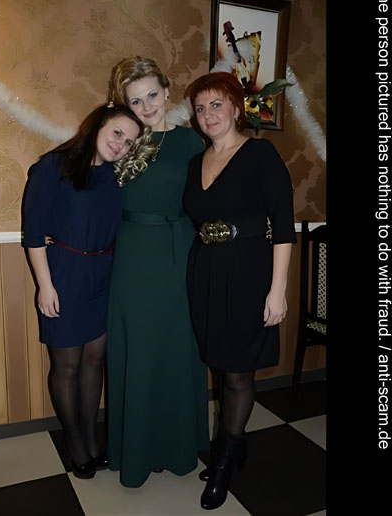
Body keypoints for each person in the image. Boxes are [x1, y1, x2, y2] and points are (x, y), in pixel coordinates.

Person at [183, 72, 296, 510]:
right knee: (218, 363)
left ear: (235, 107)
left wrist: (277, 291)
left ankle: (224, 460)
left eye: (216, 104)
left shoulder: (260, 154)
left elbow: (283, 226)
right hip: (206, 273)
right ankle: (235, 443)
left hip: (249, 273)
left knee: (236, 372)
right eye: (200, 108)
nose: (208, 114)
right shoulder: (196, 162)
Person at [22, 104, 145, 479]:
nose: (122, 144)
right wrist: (45, 286)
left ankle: (92, 436)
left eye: (130, 142)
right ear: (98, 124)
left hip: (104, 275)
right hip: (64, 276)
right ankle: (74, 440)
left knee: (95, 360)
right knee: (67, 365)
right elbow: (33, 233)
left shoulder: (116, 176)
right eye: (118, 133)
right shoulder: (53, 167)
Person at [105, 56, 210, 488]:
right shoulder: (122, 140)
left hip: (180, 250)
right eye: (136, 100)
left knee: (177, 349)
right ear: (124, 104)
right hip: (132, 255)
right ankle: (137, 451)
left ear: (167, 91)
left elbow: (211, 196)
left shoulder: (192, 141)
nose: (147, 106)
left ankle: (177, 446)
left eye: (152, 95)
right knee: (140, 349)